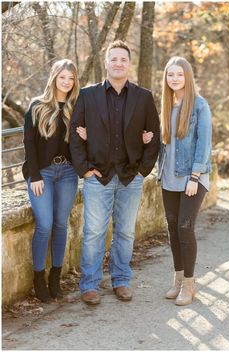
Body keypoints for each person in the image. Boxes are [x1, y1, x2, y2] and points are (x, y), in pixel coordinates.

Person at [70, 40, 160, 305]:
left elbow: (154, 136)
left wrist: (143, 170)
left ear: (128, 64)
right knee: (94, 232)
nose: (118, 63)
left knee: (125, 233)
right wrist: (84, 170)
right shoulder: (87, 95)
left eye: (123, 59)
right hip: (98, 176)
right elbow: (75, 136)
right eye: (114, 59)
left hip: (130, 177)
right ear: (106, 63)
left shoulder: (143, 97)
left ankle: (121, 280)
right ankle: (90, 285)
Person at [22, 59, 79, 302]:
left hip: (67, 173)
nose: (66, 82)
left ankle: (55, 277)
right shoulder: (37, 106)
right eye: (62, 77)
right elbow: (29, 143)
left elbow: (82, 142)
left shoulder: (76, 107)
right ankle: (38, 278)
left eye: (71, 78)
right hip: (42, 174)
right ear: (54, 77)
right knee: (44, 224)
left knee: (60, 224)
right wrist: (34, 175)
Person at [157, 56, 212, 305]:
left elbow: (204, 143)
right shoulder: (168, 105)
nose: (175, 79)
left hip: (192, 178)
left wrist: (195, 176)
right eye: (171, 75)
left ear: (187, 77)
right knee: (172, 228)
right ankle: (178, 280)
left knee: (184, 227)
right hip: (168, 178)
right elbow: (166, 145)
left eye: (179, 74)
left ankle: (189, 285)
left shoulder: (200, 106)